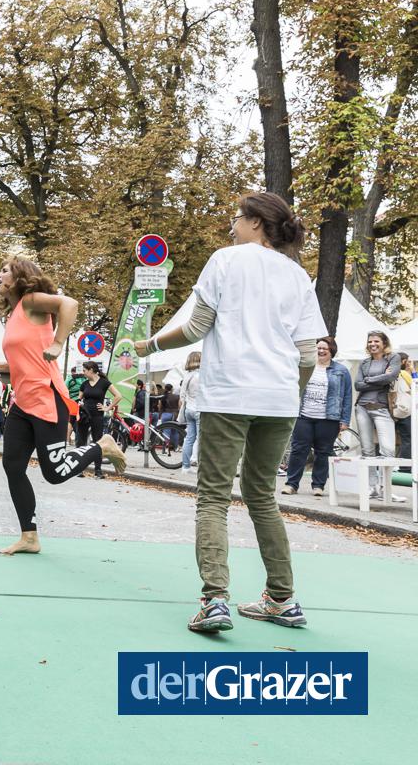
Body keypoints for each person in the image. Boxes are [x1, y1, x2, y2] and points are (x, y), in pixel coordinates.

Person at [134, 191, 326, 633]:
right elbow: (305, 354)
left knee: (213, 498)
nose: (232, 226)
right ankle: (282, 599)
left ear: (256, 222)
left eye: (237, 218)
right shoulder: (297, 275)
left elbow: (198, 328)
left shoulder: (225, 260)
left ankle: (214, 600)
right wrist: (288, 396)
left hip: (229, 394)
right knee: (262, 497)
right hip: (279, 400)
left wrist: (152, 344)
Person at [0, 258, 126, 556]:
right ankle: (29, 537)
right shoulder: (15, 314)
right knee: (12, 466)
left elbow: (70, 304)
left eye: (5, 270)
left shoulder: (31, 301)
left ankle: (102, 446)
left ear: (20, 276)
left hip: (46, 399)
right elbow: (27, 361)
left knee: (56, 472)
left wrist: (59, 342)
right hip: (22, 403)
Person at [282, 336, 351, 497]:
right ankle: (291, 484)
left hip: (329, 418)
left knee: (323, 452)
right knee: (299, 450)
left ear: (331, 351)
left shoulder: (341, 371)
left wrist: (345, 420)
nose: (320, 351)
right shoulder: (305, 367)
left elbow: (347, 396)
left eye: (324, 348)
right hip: (303, 415)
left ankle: (318, 485)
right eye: (318, 348)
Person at [354, 330, 402, 498]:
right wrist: (380, 379)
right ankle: (373, 488)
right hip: (362, 408)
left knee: (387, 451)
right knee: (367, 451)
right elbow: (358, 385)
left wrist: (369, 380)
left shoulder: (393, 358)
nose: (372, 344)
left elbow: (390, 378)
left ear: (384, 343)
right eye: (370, 341)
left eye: (376, 341)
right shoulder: (364, 362)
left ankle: (385, 489)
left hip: (382, 408)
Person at [77, 361, 122, 478]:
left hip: (97, 415)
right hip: (84, 415)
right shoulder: (84, 384)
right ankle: (79, 469)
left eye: (84, 370)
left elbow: (118, 396)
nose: (83, 373)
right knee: (81, 441)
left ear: (91, 370)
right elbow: (79, 399)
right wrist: (79, 403)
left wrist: (107, 408)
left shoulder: (104, 383)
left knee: (98, 442)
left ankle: (98, 470)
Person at [179, 352, 202, 472]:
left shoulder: (187, 376)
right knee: (201, 439)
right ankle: (199, 464)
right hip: (199, 409)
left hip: (188, 409)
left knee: (189, 439)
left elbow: (182, 396)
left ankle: (185, 467)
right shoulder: (201, 375)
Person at [395, 352, 412, 473]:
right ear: (403, 361)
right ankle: (405, 467)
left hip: (392, 410)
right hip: (404, 411)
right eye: (408, 361)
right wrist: (412, 370)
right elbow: (415, 384)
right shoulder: (404, 373)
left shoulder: (391, 373)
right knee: (407, 439)